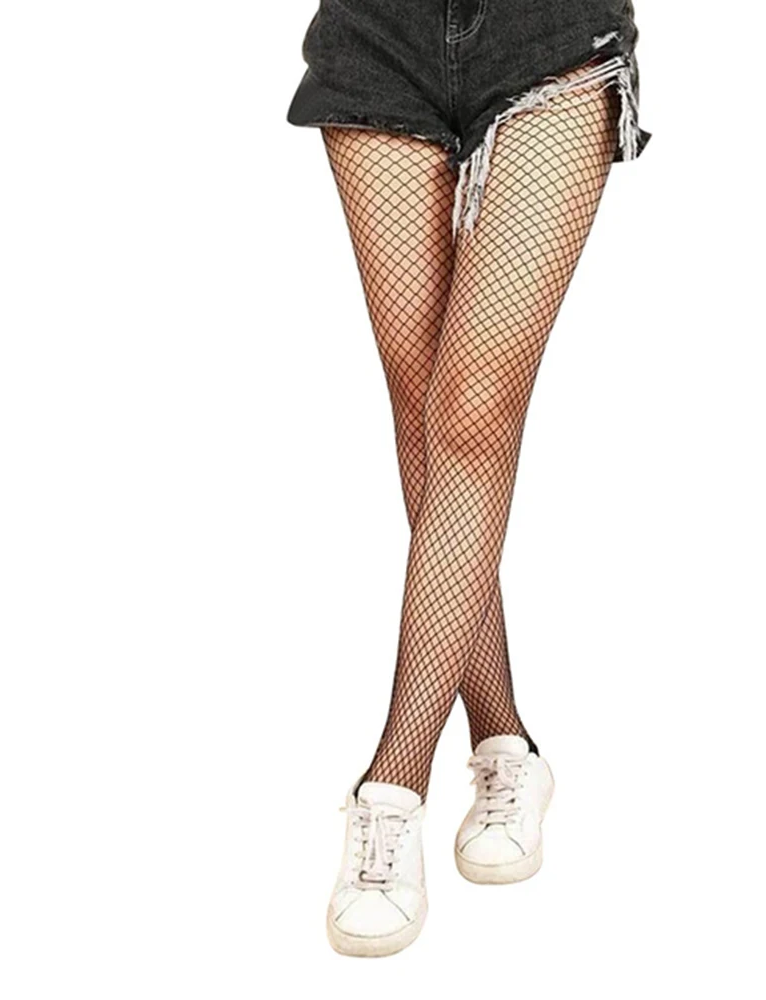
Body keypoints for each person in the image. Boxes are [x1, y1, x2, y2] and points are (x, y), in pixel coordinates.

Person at [286, 0, 650, 957]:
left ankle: (392, 785)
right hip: (379, 34)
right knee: (423, 410)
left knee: (472, 410)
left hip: (550, 36)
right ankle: (506, 743)